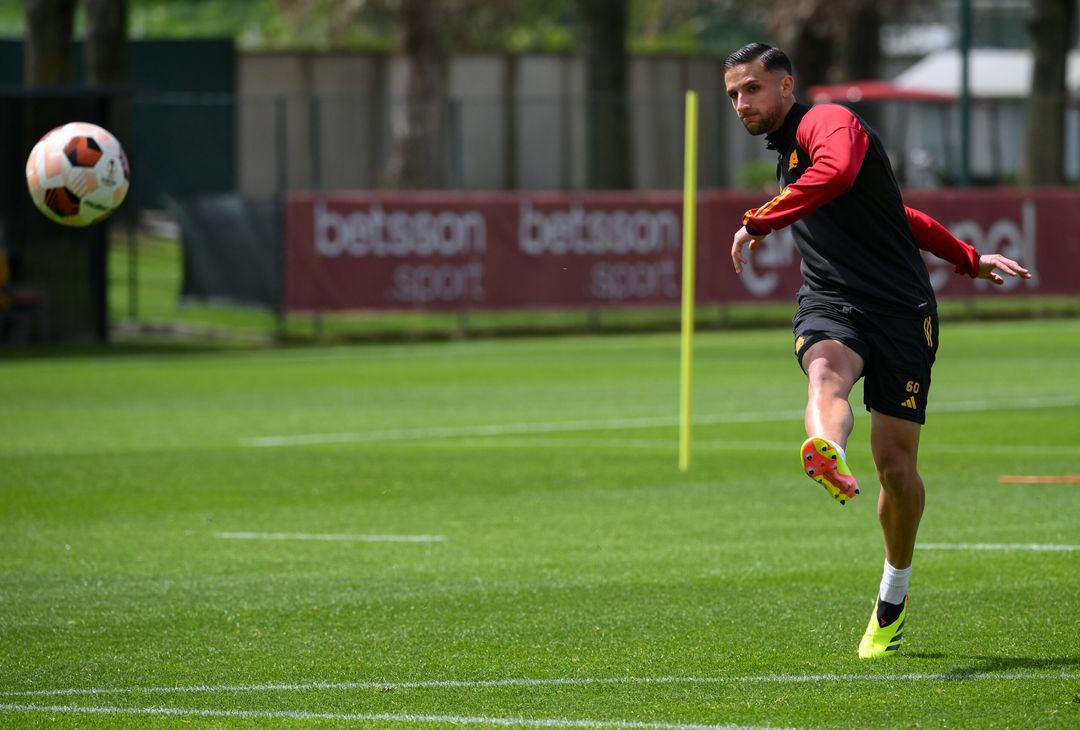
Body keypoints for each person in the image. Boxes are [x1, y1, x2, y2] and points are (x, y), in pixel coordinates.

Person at [722, 42, 1031, 659]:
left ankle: (893, 597)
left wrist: (760, 221)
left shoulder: (830, 123)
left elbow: (872, 199)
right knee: (824, 375)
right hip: (832, 302)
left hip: (901, 312)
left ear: (787, 86)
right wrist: (968, 257)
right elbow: (886, 207)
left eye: (752, 88)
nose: (741, 103)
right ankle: (827, 450)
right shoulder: (789, 157)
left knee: (896, 467)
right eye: (733, 93)